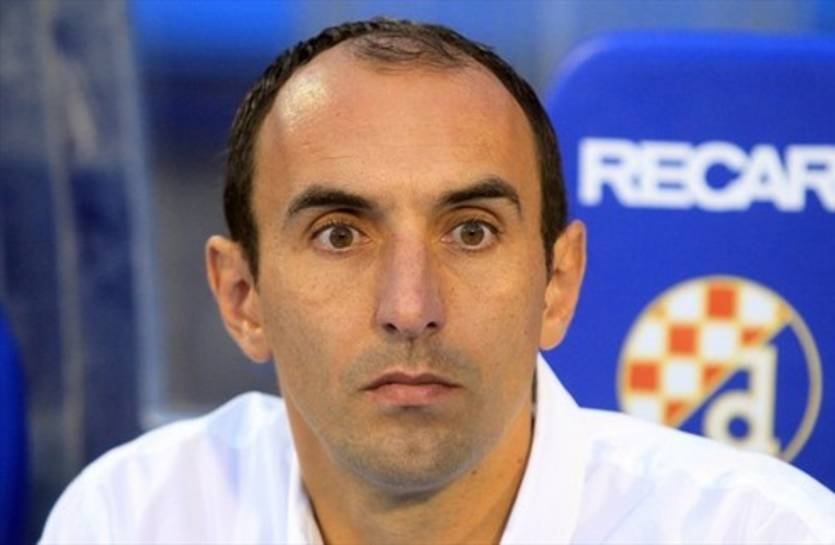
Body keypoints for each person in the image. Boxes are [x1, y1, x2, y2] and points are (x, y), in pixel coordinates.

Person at [41, 18, 834, 545]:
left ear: (557, 283)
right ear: (241, 297)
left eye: (470, 231)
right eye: (339, 234)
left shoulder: (762, 532)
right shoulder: (132, 518)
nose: (410, 307)